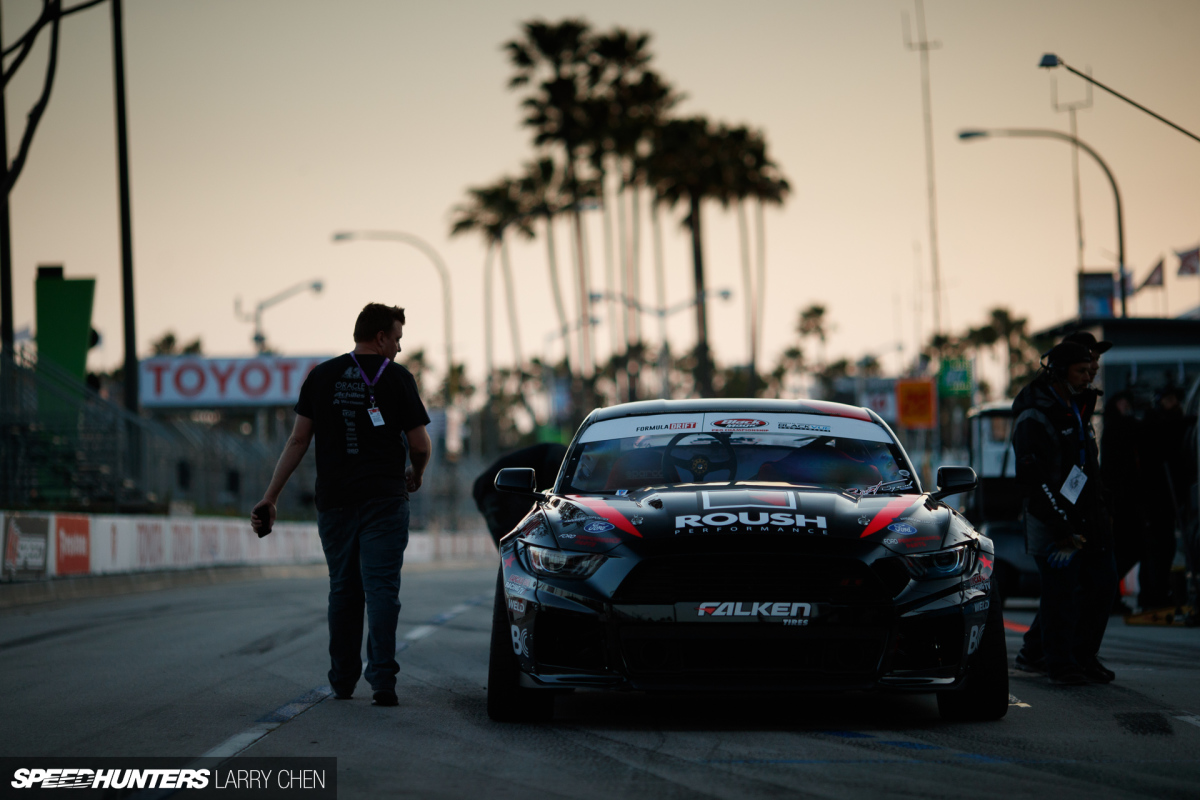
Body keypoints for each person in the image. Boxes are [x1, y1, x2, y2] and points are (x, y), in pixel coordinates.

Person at [251, 303, 431, 707]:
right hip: (385, 500)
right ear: (381, 337)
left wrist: (271, 496)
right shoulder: (399, 378)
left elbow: (298, 441)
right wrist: (415, 473)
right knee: (382, 588)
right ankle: (383, 681)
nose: (399, 349)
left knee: (344, 590)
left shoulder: (322, 376)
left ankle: (343, 681)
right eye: (397, 339)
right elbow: (420, 444)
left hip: (335, 502)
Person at [1011, 342, 1117, 685]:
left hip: (1088, 517)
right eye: (1082, 371)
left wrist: (1101, 510)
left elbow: (1088, 467)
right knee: (1061, 591)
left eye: (1092, 371)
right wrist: (1062, 525)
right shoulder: (1034, 413)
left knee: (1101, 585)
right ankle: (1059, 663)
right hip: (1052, 521)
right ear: (1059, 371)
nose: (1089, 377)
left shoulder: (1079, 405)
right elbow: (1033, 480)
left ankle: (1083, 657)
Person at [1138, 387, 1188, 609]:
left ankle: (1158, 593)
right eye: (1169, 400)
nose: (1174, 404)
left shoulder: (1167, 422)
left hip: (1165, 496)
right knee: (1158, 548)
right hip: (1157, 496)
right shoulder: (1156, 423)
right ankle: (1154, 596)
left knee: (1163, 548)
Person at [473, 443, 567, 546]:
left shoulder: (560, 454)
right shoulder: (562, 456)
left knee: (514, 540)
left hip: (494, 489)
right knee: (516, 540)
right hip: (494, 488)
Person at [1101, 390, 1142, 614]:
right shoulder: (1118, 427)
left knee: (1128, 549)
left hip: (1123, 500)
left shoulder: (1115, 426)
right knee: (1127, 548)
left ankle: (1112, 594)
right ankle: (1112, 594)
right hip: (1121, 501)